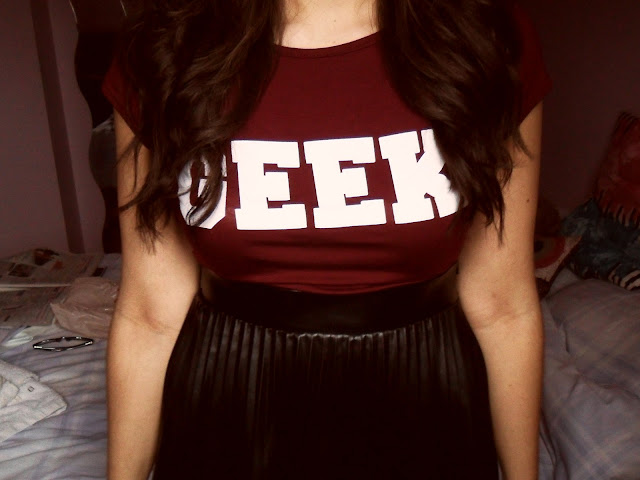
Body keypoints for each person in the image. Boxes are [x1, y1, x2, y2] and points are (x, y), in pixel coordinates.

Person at [102, 0, 551, 478]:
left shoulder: (487, 37)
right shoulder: (163, 46)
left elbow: (504, 306)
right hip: (231, 396)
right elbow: (149, 314)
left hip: (426, 394)